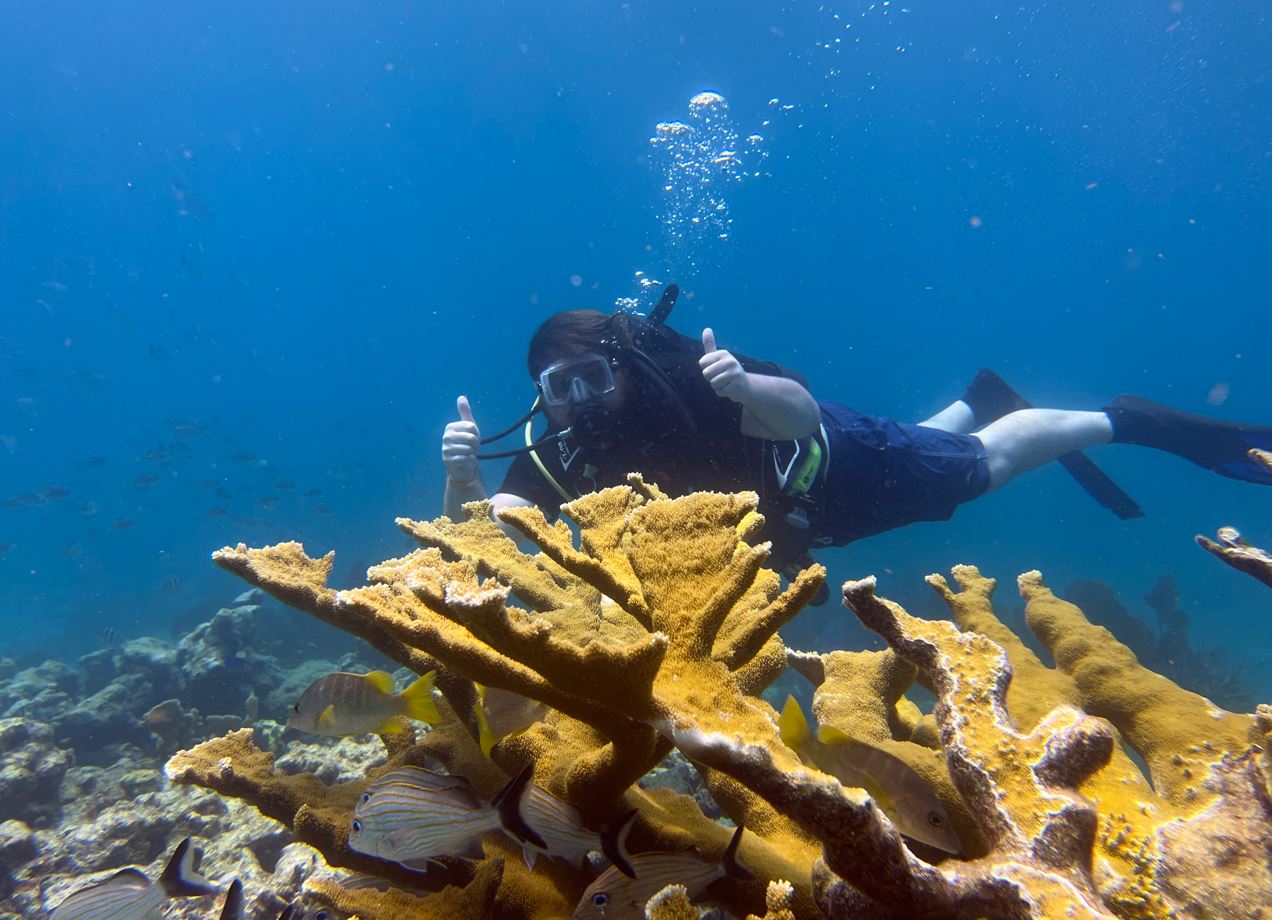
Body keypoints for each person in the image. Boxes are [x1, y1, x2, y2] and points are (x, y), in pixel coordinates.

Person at [441, 294, 1272, 601]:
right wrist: (461, 480)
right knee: (931, 447)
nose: (579, 401)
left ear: (618, 364)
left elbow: (799, 415)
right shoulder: (558, 454)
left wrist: (740, 387)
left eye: (589, 377)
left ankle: (1127, 420)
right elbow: (487, 540)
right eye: (559, 388)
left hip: (830, 466)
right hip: (806, 523)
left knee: (984, 469)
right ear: (540, 397)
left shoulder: (694, 379)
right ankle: (973, 401)